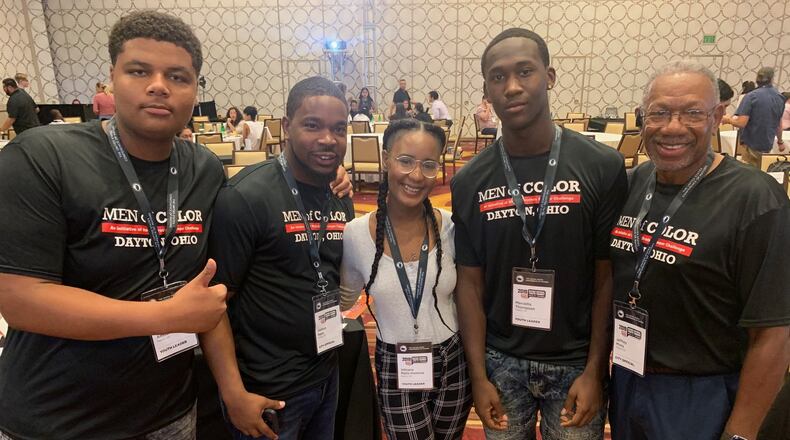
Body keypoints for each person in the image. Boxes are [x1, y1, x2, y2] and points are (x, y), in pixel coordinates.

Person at [0, 10, 230, 439]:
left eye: (178, 76)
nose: (159, 85)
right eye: (140, 70)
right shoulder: (42, 157)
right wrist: (162, 316)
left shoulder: (205, 170)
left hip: (169, 413)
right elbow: (20, 300)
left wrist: (329, 185)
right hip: (56, 419)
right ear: (111, 79)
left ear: (195, 89)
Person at [451, 28, 627, 440]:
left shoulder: (601, 166)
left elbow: (607, 278)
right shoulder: (469, 180)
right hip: (500, 362)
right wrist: (479, 375)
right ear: (486, 90)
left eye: (524, 72)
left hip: (575, 364)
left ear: (549, 76)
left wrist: (594, 369)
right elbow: (470, 285)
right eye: (498, 77)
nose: (512, 87)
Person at [608, 59, 790, 440]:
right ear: (644, 118)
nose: (673, 127)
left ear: (718, 115)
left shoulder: (754, 199)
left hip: (704, 392)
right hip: (630, 376)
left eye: (692, 113)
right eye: (659, 113)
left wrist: (741, 432)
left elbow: (774, 332)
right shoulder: (637, 182)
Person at [201, 76, 354, 440]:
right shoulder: (246, 198)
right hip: (267, 390)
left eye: (338, 128)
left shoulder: (338, 193)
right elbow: (214, 306)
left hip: (324, 373)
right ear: (286, 127)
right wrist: (233, 393)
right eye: (312, 125)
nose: (328, 139)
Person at [341, 119, 472, 439]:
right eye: (405, 161)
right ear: (386, 159)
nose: (416, 175)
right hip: (398, 363)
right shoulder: (355, 235)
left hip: (454, 358)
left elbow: (470, 294)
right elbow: (344, 299)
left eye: (429, 165)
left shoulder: (453, 228)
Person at [723, 67, 786, 159]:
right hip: (767, 144)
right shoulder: (780, 98)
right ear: (772, 79)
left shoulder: (751, 96)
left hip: (752, 144)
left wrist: (728, 120)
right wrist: (780, 142)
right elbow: (779, 124)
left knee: (749, 171)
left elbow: (741, 123)